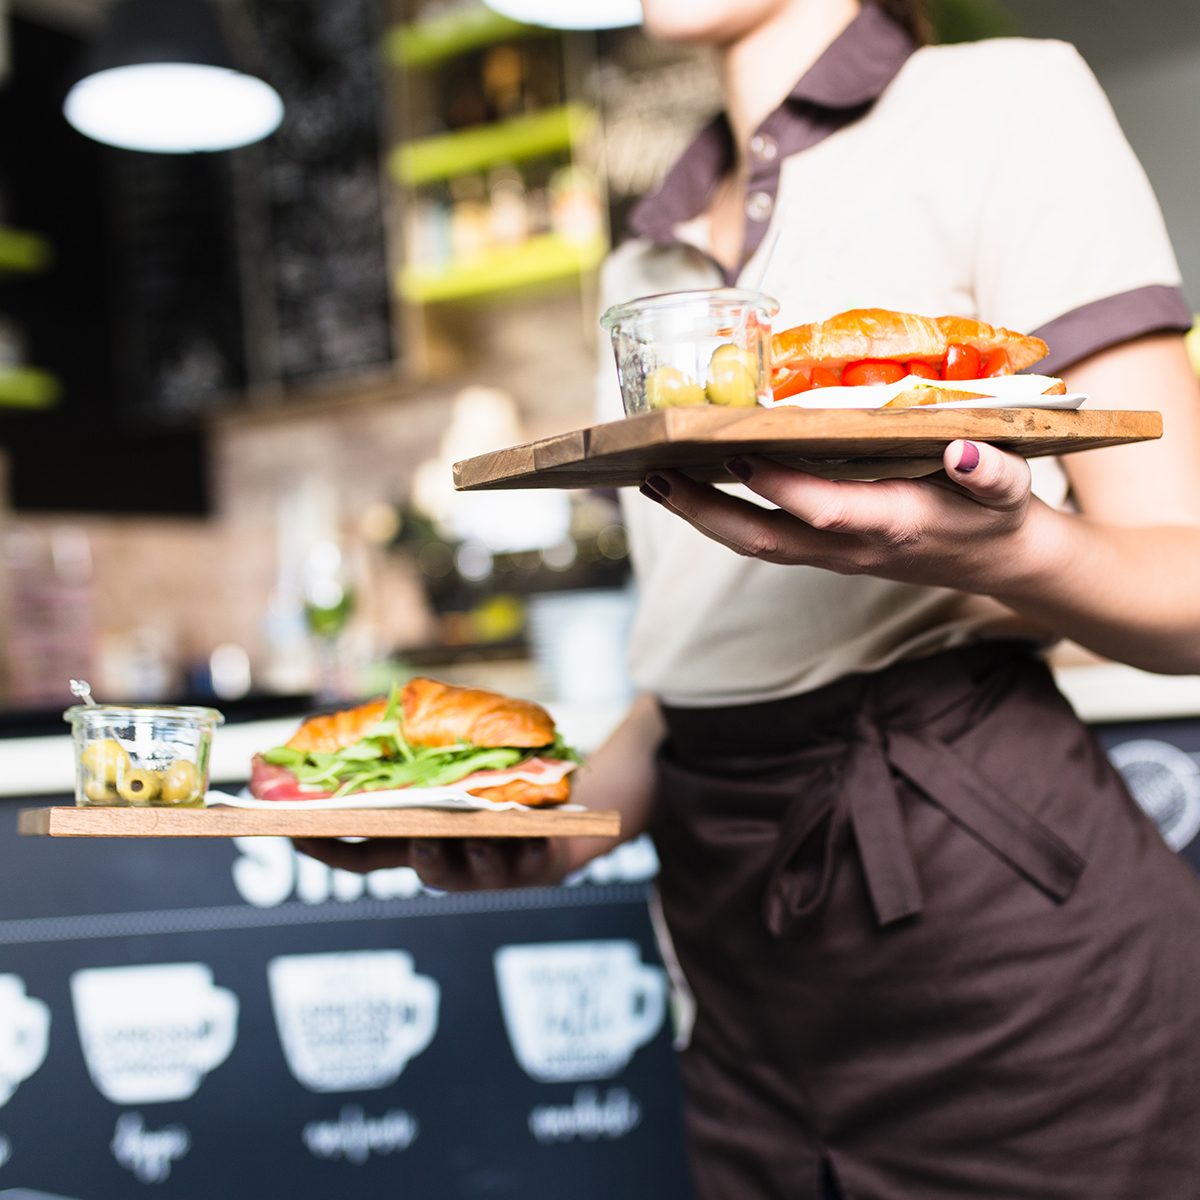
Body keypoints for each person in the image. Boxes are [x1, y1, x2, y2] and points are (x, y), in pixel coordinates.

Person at [299, 1, 1200, 1197]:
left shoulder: (1006, 101)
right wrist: (554, 827)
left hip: (1000, 937)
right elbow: (706, 657)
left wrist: (996, 553)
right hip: (737, 968)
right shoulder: (647, 258)